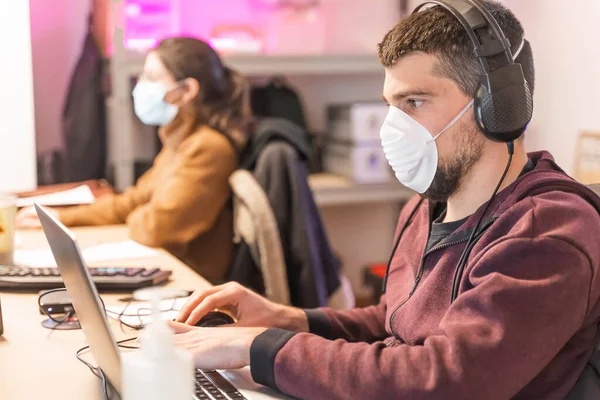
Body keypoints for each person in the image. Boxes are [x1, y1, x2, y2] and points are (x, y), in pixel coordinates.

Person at [169, 1, 600, 399]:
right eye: (392, 105)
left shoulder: (547, 231)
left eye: (415, 101)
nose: (393, 127)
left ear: (497, 106)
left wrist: (262, 347)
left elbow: (447, 380)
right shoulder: (428, 203)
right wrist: (287, 320)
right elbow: (395, 322)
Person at [17, 37, 250, 282]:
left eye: (152, 77)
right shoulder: (179, 142)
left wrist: (139, 213)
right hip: (163, 267)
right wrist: (63, 218)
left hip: (189, 280)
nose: (141, 86)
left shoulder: (208, 148)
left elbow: (157, 228)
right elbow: (131, 202)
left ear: (187, 90)